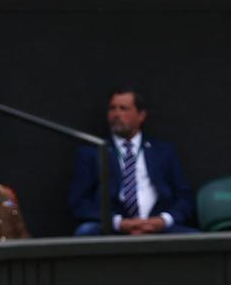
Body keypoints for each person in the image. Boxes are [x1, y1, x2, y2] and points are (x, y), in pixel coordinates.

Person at [69, 89, 196, 235]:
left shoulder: (163, 151)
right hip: (113, 227)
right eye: (112, 109)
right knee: (86, 232)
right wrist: (118, 222)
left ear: (141, 115)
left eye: (123, 109)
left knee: (197, 240)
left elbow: (185, 196)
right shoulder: (93, 152)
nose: (116, 114)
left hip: (157, 225)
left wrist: (163, 220)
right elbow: (79, 202)